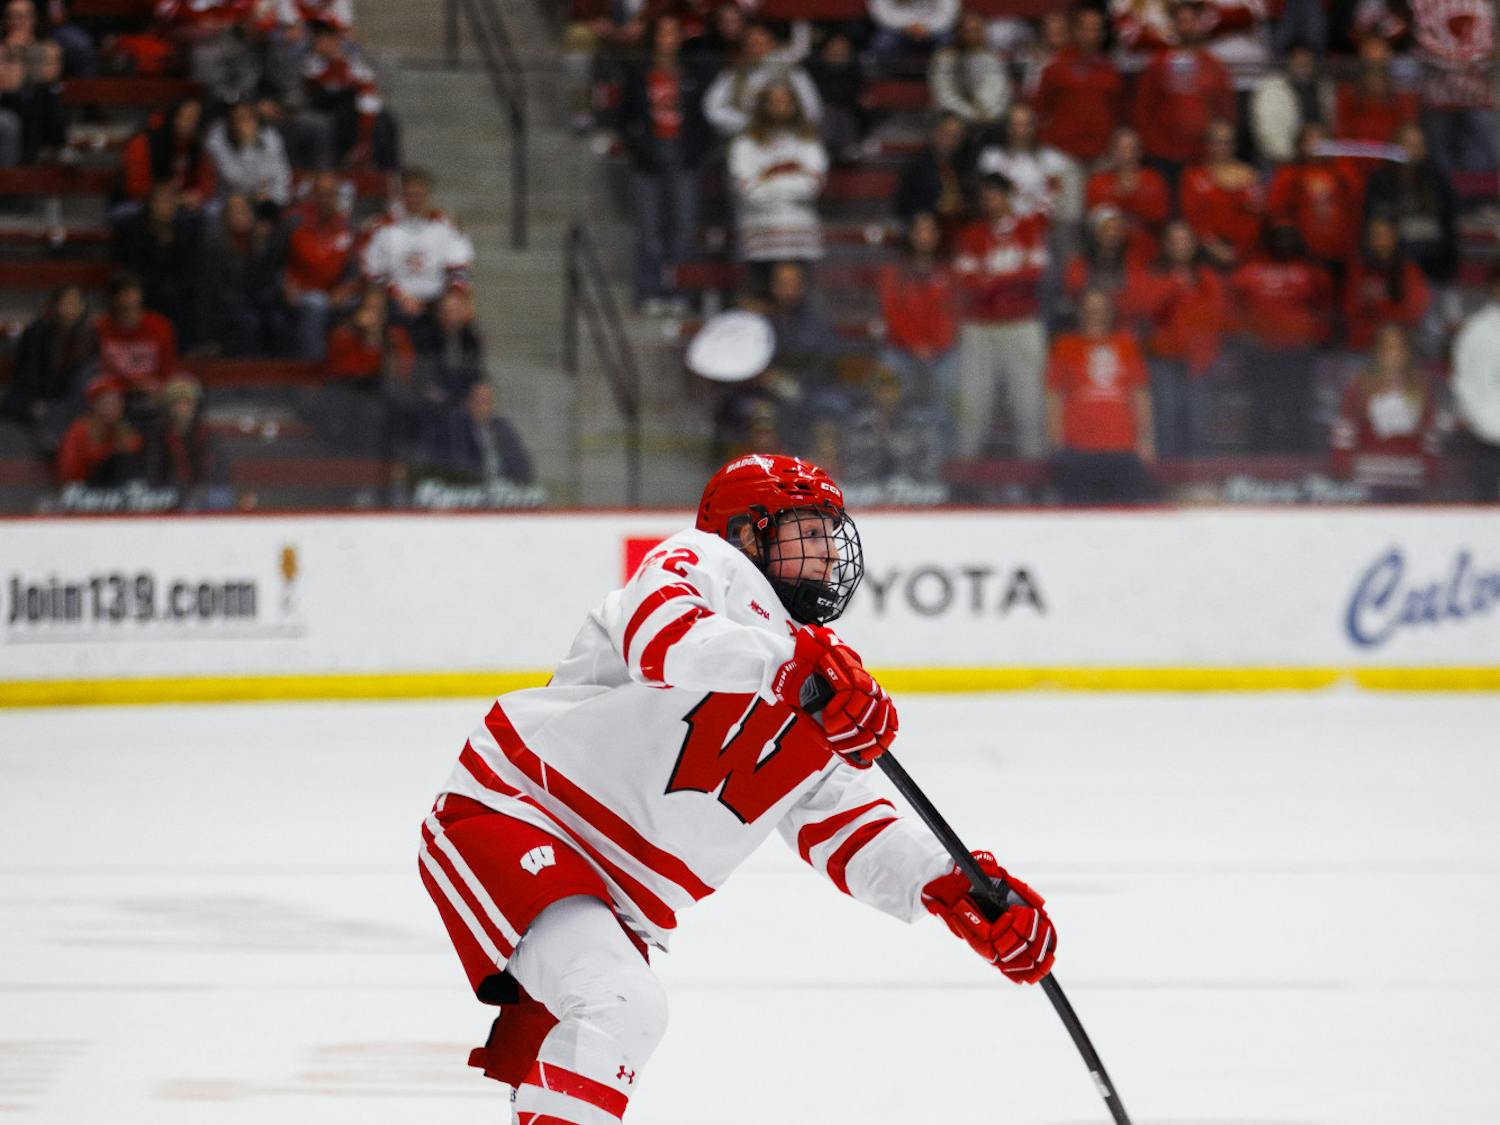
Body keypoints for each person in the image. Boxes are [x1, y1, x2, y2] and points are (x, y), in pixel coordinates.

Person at [418, 453, 1057, 1123]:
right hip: (517, 812)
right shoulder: (701, 564)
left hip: (611, 895)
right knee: (623, 1003)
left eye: (827, 535)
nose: (825, 554)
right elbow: (659, 638)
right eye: (804, 532)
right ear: (746, 533)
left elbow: (847, 824)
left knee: (617, 1016)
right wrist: (789, 667)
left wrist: (952, 883)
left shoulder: (814, 676)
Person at [952, 173, 1050, 459]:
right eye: (986, 196)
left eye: (995, 194)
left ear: (1008, 196)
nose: (990, 201)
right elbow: (967, 283)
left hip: (1022, 323)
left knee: (1029, 401)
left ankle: (1034, 469)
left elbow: (1035, 274)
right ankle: (965, 468)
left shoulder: (1030, 229)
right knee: (973, 403)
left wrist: (991, 281)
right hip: (980, 325)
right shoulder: (972, 234)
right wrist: (1010, 281)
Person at [618, 14, 712, 313]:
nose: (668, 40)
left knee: (685, 228)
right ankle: (649, 292)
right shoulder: (638, 74)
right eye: (663, 33)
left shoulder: (693, 73)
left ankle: (685, 293)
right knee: (649, 231)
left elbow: (703, 121)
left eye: (673, 33)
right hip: (648, 157)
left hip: (684, 155)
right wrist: (640, 149)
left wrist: (695, 152)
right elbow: (624, 119)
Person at [1045, 287, 1156, 503]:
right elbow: (1053, 397)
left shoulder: (1127, 345)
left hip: (1123, 449)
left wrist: (1146, 439)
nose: (1095, 316)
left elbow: (1140, 395)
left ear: (1110, 313)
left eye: (1101, 310)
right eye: (1089, 310)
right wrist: (1056, 443)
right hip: (1077, 450)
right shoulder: (1065, 346)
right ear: (1079, 312)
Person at [1135, 219, 1227, 455]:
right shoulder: (1155, 274)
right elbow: (1148, 308)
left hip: (1197, 360)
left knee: (1197, 419)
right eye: (1174, 240)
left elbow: (1216, 314)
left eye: (1185, 240)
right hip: (1164, 358)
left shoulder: (1206, 277)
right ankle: (1168, 476)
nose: (1180, 245)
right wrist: (1174, 285)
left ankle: (1195, 476)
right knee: (1166, 416)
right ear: (1165, 245)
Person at [1329, 323, 1442, 498]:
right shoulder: (1361, 385)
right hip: (1370, 478)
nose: (1393, 354)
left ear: (1407, 352)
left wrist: (1431, 472)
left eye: (1399, 348)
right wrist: (1343, 468)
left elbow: (1430, 436)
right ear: (1377, 352)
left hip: (1411, 479)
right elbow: (1345, 431)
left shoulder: (1421, 387)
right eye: (1387, 348)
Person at [726, 81, 827, 275]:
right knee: (761, 300)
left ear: (794, 105)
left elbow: (814, 186)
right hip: (761, 236)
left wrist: (768, 178)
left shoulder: (808, 140)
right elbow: (748, 191)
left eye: (785, 101)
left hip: (801, 235)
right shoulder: (745, 144)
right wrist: (793, 176)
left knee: (801, 299)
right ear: (762, 105)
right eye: (774, 102)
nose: (780, 107)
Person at [1131, 0, 1235, 183]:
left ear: (1200, 24)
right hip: (1163, 155)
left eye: (1191, 20)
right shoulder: (1158, 64)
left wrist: (1216, 147)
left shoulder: (1214, 66)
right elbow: (1144, 109)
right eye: (1181, 20)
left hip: (1202, 156)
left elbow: (1225, 110)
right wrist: (1153, 147)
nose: (1187, 26)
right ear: (1173, 25)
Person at [362, 167, 475, 323]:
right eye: (410, 194)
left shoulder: (445, 224)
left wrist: (456, 293)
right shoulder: (383, 226)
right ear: (401, 195)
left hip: (437, 301)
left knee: (457, 309)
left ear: (428, 194)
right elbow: (374, 273)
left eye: (419, 194)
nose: (415, 199)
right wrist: (399, 295)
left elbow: (460, 268)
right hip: (394, 301)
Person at [878, 210, 960, 417]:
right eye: (920, 231)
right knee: (887, 371)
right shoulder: (893, 273)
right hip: (902, 350)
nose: (924, 236)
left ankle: (946, 440)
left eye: (929, 230)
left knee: (955, 378)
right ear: (911, 235)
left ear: (937, 235)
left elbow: (951, 315)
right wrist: (915, 345)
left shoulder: (949, 273)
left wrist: (935, 346)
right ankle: (889, 432)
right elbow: (893, 314)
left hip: (940, 352)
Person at [0, 284, 97, 454]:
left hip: (69, 399)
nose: (71, 309)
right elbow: (28, 372)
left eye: (76, 304)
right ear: (55, 305)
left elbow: (85, 375)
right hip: (36, 395)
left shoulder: (89, 336)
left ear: (83, 307)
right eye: (66, 303)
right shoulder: (37, 332)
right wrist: (38, 401)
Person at [200, 192, 288, 357]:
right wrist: (244, 303)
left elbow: (268, 281)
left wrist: (261, 300)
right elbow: (214, 287)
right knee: (249, 321)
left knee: (277, 320)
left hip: (256, 304)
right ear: (226, 216)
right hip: (225, 308)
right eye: (235, 211)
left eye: (244, 211)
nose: (241, 215)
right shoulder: (214, 246)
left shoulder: (262, 244)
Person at [283, 170, 358, 361]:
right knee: (316, 303)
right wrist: (285, 285)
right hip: (300, 293)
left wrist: (345, 289)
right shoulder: (294, 222)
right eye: (321, 194)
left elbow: (354, 270)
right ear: (312, 196)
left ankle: (355, 369)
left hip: (334, 294)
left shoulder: (347, 227)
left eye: (330, 194)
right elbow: (275, 263)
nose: (325, 199)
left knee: (370, 306)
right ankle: (313, 369)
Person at [1033, 6, 1123, 165]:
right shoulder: (1055, 68)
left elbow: (1119, 113)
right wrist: (1046, 147)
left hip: (1102, 153)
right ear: (1075, 31)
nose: (1090, 35)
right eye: (1085, 28)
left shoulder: (1111, 71)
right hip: (1063, 153)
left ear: (1102, 34)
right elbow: (1041, 111)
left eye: (1095, 29)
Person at [1179, 118, 1263, 270]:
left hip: (1248, 254)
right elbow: (1194, 219)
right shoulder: (1194, 177)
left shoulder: (1250, 176)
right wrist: (1216, 249)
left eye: (1227, 142)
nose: (1222, 147)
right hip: (1206, 256)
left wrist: (1241, 251)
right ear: (1207, 144)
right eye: (1217, 142)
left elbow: (1257, 217)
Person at [418, 380, 534, 487]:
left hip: (503, 489)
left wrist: (508, 478)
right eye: (478, 401)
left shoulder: (503, 429)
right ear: (468, 403)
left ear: (493, 405)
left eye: (487, 402)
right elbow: (458, 464)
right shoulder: (456, 428)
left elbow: (523, 464)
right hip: (471, 490)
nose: (482, 407)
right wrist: (483, 476)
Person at [1450, 265, 1500, 501]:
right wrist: (1477, 419)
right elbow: (1462, 381)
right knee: (1485, 503)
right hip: (1485, 434)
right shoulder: (1475, 330)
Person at [1085, 128, 1171, 260]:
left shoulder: (1153, 180)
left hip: (1147, 253)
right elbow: (1095, 224)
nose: (1126, 154)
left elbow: (1158, 217)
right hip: (1107, 256)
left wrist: (1129, 196)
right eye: (1120, 148)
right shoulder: (1098, 182)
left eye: (1130, 148)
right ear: (1111, 152)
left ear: (1139, 152)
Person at [1250, 42, 1333, 164]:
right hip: (1280, 159)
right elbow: (1267, 130)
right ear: (1288, 61)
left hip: (1321, 158)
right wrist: (1289, 157)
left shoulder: (1325, 87)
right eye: (1298, 59)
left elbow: (1331, 122)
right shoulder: (1271, 88)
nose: (1303, 64)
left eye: (1307, 60)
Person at [927, 10, 1011, 130]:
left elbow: (1001, 91)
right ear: (958, 33)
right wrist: (971, 114)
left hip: (990, 117)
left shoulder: (994, 58)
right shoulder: (945, 59)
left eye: (976, 30)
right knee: (951, 126)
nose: (971, 35)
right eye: (967, 31)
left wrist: (989, 114)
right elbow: (945, 96)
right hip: (954, 116)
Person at [55, 375, 146, 486]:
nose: (112, 407)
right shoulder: (80, 430)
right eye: (106, 402)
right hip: (84, 490)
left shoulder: (123, 428)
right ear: (94, 405)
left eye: (117, 401)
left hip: (117, 492)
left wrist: (122, 442)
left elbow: (135, 453)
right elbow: (68, 472)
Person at [204, 98, 292, 206]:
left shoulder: (270, 136)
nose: (247, 123)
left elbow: (282, 172)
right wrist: (248, 146)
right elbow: (235, 179)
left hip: (269, 197)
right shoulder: (217, 141)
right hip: (231, 200)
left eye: (251, 117)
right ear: (230, 122)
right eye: (240, 119)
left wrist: (274, 196)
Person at [894, 110, 970, 235]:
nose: (951, 141)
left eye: (956, 136)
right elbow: (904, 204)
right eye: (947, 134)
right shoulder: (917, 166)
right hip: (929, 228)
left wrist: (962, 205)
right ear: (935, 132)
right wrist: (934, 208)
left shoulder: (965, 164)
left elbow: (974, 198)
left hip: (960, 226)